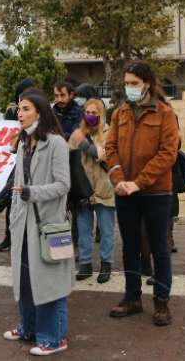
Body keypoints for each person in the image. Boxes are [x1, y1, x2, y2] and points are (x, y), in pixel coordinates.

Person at [0, 90, 72, 356]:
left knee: (51, 283)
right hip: (23, 225)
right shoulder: (23, 143)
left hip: (49, 226)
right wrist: (8, 208)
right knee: (24, 279)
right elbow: (16, 183)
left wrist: (31, 192)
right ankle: (27, 327)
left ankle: (54, 338)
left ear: (40, 112)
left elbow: (63, 185)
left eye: (25, 109)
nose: (20, 114)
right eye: (19, 109)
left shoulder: (56, 143)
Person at [105, 61, 179, 327]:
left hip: (156, 193)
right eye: (126, 83)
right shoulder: (119, 113)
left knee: (159, 248)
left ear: (146, 83)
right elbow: (110, 147)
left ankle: (161, 302)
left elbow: (167, 154)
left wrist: (139, 182)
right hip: (124, 191)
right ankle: (132, 298)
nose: (129, 88)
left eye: (134, 83)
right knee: (130, 247)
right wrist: (119, 179)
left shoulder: (165, 113)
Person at [69, 98, 115, 284]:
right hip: (83, 189)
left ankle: (106, 264)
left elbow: (105, 155)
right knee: (83, 229)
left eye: (95, 113)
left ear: (101, 114)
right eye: (88, 112)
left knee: (106, 230)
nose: (91, 116)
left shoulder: (110, 132)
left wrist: (86, 146)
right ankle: (85, 264)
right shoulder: (76, 134)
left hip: (105, 188)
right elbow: (69, 158)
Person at [0, 78, 37, 253]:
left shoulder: (41, 112)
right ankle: (9, 235)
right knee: (12, 200)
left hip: (33, 161)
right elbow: (7, 134)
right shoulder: (12, 112)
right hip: (15, 162)